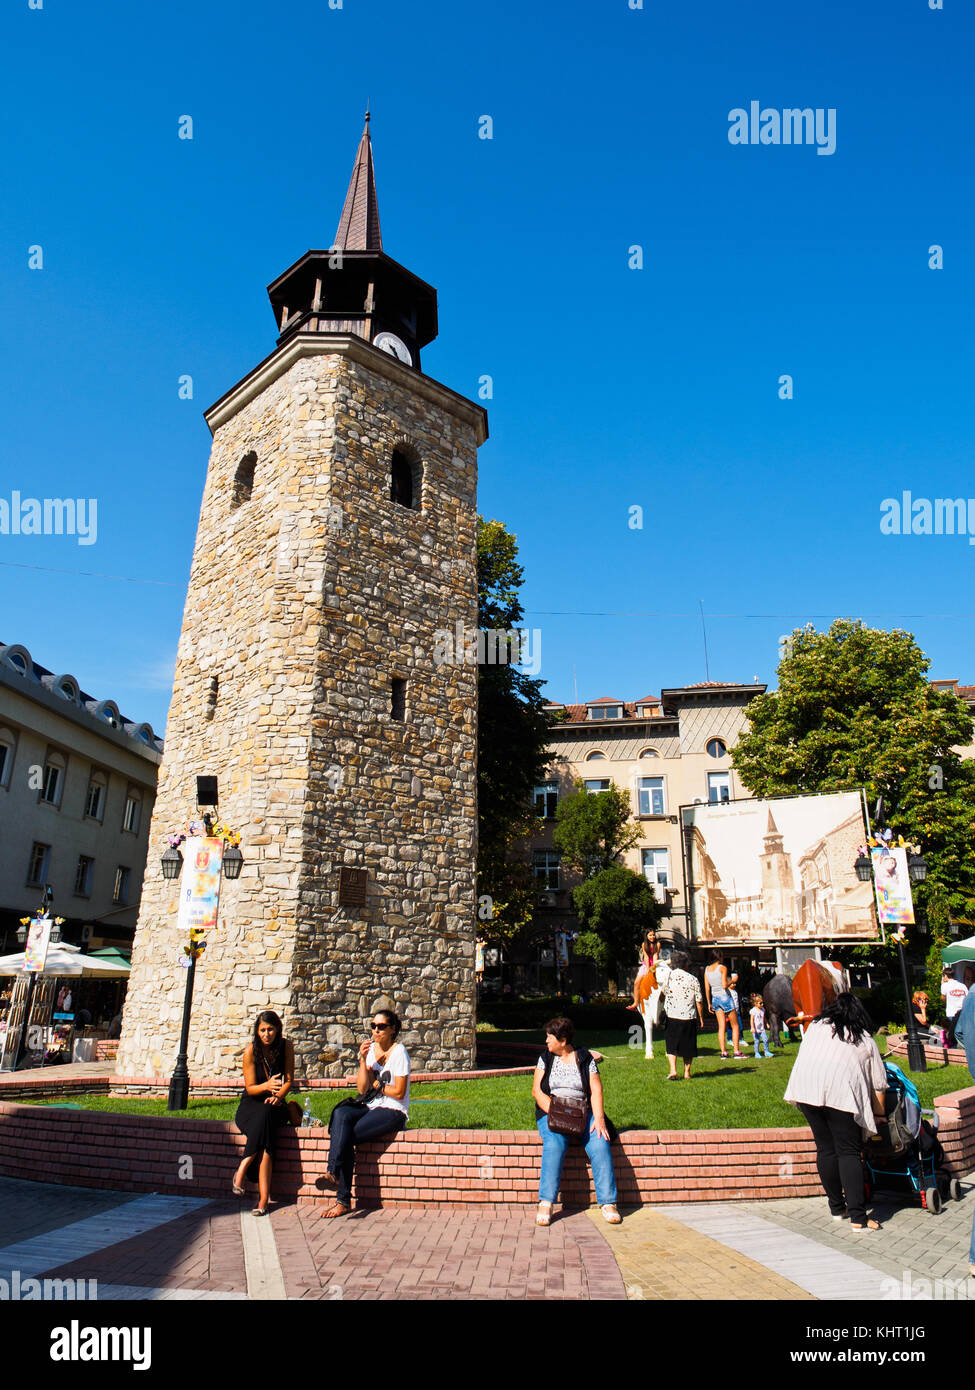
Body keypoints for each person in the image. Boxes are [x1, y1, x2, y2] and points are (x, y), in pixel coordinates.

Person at [783, 993, 887, 1231]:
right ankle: (859, 1218)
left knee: (825, 1148)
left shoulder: (816, 1028)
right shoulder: (865, 1039)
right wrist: (879, 1115)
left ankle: (837, 1208)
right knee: (848, 1152)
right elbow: (879, 1085)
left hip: (806, 1090)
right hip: (841, 1095)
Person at [319, 1009, 409, 1218]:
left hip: (393, 1110)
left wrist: (379, 1087)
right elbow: (361, 1089)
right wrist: (362, 1059)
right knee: (341, 1113)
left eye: (381, 1027)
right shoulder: (371, 1049)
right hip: (371, 1105)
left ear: (392, 1029)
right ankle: (332, 1174)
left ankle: (342, 1199)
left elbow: (399, 1092)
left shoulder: (399, 1052)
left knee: (345, 1135)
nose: (376, 1031)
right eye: (373, 1026)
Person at [532, 1016, 620, 1227]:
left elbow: (596, 1089)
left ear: (563, 1040)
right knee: (554, 1144)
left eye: (549, 1038)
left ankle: (608, 1202)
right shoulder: (546, 1058)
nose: (546, 1042)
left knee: (600, 1141)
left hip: (582, 1111)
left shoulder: (585, 1058)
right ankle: (546, 1201)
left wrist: (598, 1118)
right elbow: (537, 1091)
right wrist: (558, 1113)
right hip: (552, 1112)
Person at [232, 1011, 295, 1215]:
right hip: (251, 1104)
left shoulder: (286, 1047)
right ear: (257, 1032)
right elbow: (250, 1088)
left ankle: (243, 1168)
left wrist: (278, 1096)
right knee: (266, 1138)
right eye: (262, 1030)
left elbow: (288, 1080)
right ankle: (263, 1200)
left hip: (275, 1104)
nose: (266, 1034)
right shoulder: (251, 1051)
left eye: (270, 1029)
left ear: (277, 1029)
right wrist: (267, 1085)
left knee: (268, 1114)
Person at [663, 951, 704, 1080]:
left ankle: (673, 1070)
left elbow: (664, 992)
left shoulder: (668, 977)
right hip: (688, 1016)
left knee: (671, 1045)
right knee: (688, 1045)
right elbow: (699, 1000)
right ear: (686, 964)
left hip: (672, 1015)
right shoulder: (693, 979)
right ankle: (687, 1072)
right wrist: (701, 1018)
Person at [627, 929, 660, 1060]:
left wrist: (653, 970)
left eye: (653, 935)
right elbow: (646, 958)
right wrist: (647, 970)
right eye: (650, 935)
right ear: (646, 936)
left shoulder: (657, 944)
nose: (652, 937)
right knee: (636, 983)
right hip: (646, 966)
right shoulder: (644, 945)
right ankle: (636, 1002)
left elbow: (655, 957)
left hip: (655, 966)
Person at [704, 950, 742, 1058]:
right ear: (719, 957)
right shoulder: (722, 968)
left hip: (715, 998)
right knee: (735, 1025)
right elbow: (725, 985)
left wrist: (708, 1003)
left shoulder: (707, 969)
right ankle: (736, 1051)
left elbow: (707, 987)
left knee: (721, 1026)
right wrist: (733, 980)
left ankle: (723, 1052)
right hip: (725, 997)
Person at [941, 968, 969, 1047]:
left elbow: (943, 999)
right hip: (963, 1014)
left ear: (945, 976)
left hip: (951, 1014)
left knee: (952, 1036)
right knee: (963, 1034)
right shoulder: (962, 985)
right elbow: (967, 998)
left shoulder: (945, 985)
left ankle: (954, 1052)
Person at [749, 993, 774, 1059]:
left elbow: (764, 1018)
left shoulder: (763, 1009)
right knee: (757, 1041)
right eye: (760, 1003)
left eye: (763, 1003)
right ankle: (756, 1053)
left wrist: (767, 1024)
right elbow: (751, 1020)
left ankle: (766, 1052)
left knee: (765, 1040)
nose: (762, 1004)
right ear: (755, 1003)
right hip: (756, 1029)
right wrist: (752, 1027)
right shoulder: (753, 1011)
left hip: (762, 1029)